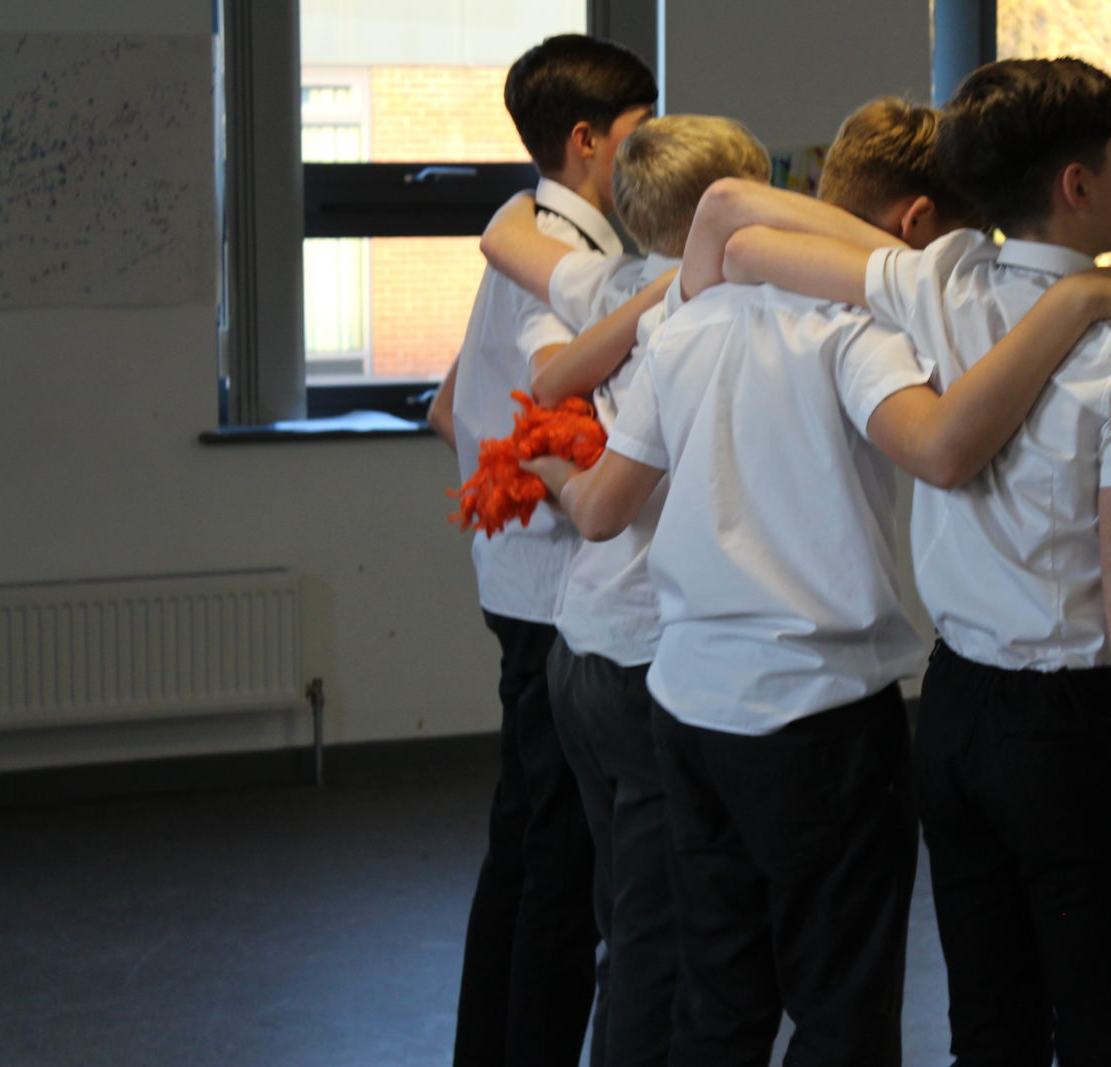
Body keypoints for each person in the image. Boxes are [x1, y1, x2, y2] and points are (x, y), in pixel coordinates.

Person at [523, 97, 1111, 1066]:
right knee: (840, 1006)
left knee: (719, 991)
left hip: (688, 697)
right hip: (813, 711)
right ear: (914, 228)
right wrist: (1073, 301)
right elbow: (942, 450)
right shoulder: (856, 329)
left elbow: (610, 487)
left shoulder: (689, 312)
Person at [719, 58, 1111, 1066]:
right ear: (1076, 186)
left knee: (988, 1029)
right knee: (1104, 1031)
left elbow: (744, 239)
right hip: (1074, 733)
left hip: (952, 717)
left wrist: (1078, 293)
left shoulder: (937, 280)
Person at [473, 113, 771, 1067]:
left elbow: (506, 239)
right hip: (648, 656)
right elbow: (603, 507)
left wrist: (540, 452)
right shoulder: (722, 313)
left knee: (627, 915)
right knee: (658, 937)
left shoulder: (616, 283)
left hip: (584, 643)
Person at [425, 33, 656, 1067]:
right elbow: (548, 397)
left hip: (521, 579)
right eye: (637, 137)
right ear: (584, 141)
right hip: (558, 590)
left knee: (526, 850)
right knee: (557, 870)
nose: (647, 159)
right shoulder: (574, 265)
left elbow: (447, 408)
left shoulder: (532, 234)